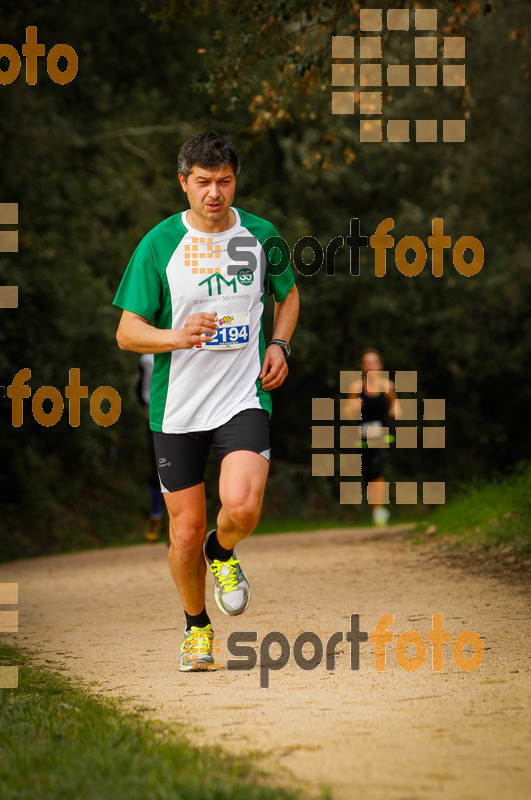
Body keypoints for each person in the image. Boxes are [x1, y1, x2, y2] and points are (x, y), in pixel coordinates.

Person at [113, 132, 299, 672]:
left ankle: (223, 551)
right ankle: (196, 627)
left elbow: (287, 295)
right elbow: (126, 332)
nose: (214, 193)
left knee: (241, 507)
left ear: (234, 180)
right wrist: (177, 336)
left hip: (243, 396)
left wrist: (280, 344)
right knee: (185, 530)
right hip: (178, 409)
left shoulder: (262, 235)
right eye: (203, 183)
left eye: (224, 181)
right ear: (184, 184)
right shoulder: (159, 244)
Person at [343, 349, 401, 527]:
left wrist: (396, 411)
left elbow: (396, 405)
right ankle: (378, 508)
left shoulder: (388, 386)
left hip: (382, 434)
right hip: (363, 435)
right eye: (367, 363)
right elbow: (346, 413)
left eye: (374, 362)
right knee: (369, 474)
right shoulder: (356, 387)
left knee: (376, 469)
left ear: (380, 365)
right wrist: (354, 407)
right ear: (363, 366)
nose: (371, 366)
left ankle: (378, 510)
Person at [135, 353, 165, 542]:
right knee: (156, 470)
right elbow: (139, 388)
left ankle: (178, 523)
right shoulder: (146, 357)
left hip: (186, 415)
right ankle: (156, 516)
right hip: (155, 415)